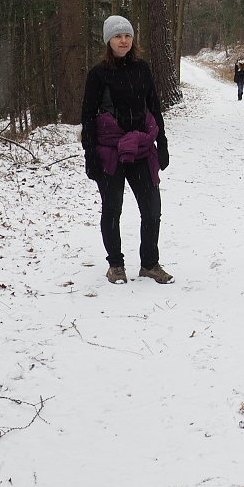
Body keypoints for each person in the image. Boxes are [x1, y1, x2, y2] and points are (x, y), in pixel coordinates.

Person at [81, 15, 173, 285]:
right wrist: (90, 156)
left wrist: (162, 143)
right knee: (112, 208)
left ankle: (150, 264)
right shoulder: (98, 74)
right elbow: (87, 116)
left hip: (141, 149)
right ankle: (116, 265)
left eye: (128, 36)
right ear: (108, 40)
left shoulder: (142, 69)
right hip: (109, 152)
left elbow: (154, 107)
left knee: (152, 208)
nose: (124, 40)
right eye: (118, 36)